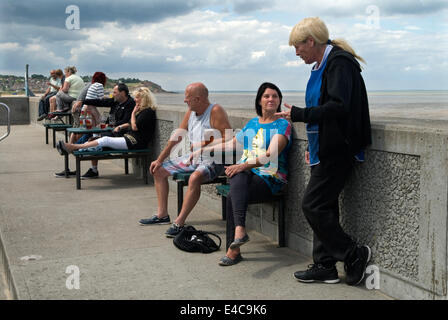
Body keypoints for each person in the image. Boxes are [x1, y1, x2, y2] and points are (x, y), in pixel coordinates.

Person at [275, 17, 372, 286]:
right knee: (325, 206)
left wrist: (298, 114)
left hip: (340, 149)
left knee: (312, 204)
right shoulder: (321, 64)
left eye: (298, 46)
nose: (296, 53)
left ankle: (353, 253)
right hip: (323, 149)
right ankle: (325, 265)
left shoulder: (340, 64)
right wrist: (313, 146)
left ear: (311, 41)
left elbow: (338, 107)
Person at [195, 82, 292, 266]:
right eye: (267, 96)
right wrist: (204, 149)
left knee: (234, 187)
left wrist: (242, 166)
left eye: (275, 96)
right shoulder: (252, 123)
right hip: (247, 175)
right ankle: (239, 233)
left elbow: (270, 155)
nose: (271, 99)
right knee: (237, 176)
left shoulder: (283, 125)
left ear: (279, 100)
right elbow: (232, 144)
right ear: (259, 101)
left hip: (270, 177)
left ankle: (234, 250)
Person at [138, 82, 232, 238]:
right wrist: (160, 159)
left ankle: (179, 222)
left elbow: (228, 138)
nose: (184, 101)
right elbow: (177, 137)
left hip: (214, 161)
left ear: (198, 99)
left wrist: (203, 144)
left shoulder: (215, 111)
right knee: (159, 171)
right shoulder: (191, 112)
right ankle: (162, 215)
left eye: (187, 98)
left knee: (195, 178)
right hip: (193, 158)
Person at [55, 82, 135, 179]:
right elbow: (100, 102)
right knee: (87, 135)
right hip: (108, 129)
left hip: (117, 133)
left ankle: (89, 166)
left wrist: (110, 125)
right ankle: (72, 152)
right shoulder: (115, 101)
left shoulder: (130, 103)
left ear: (122, 93)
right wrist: (82, 101)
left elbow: (126, 121)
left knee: (92, 137)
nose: (112, 94)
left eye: (115, 92)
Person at [56, 87, 156, 156]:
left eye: (137, 97)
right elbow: (130, 123)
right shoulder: (141, 111)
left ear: (144, 99)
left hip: (136, 142)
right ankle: (72, 148)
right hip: (128, 138)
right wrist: (121, 126)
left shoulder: (148, 112)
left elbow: (134, 127)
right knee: (96, 140)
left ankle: (72, 146)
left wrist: (133, 113)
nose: (135, 99)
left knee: (105, 140)